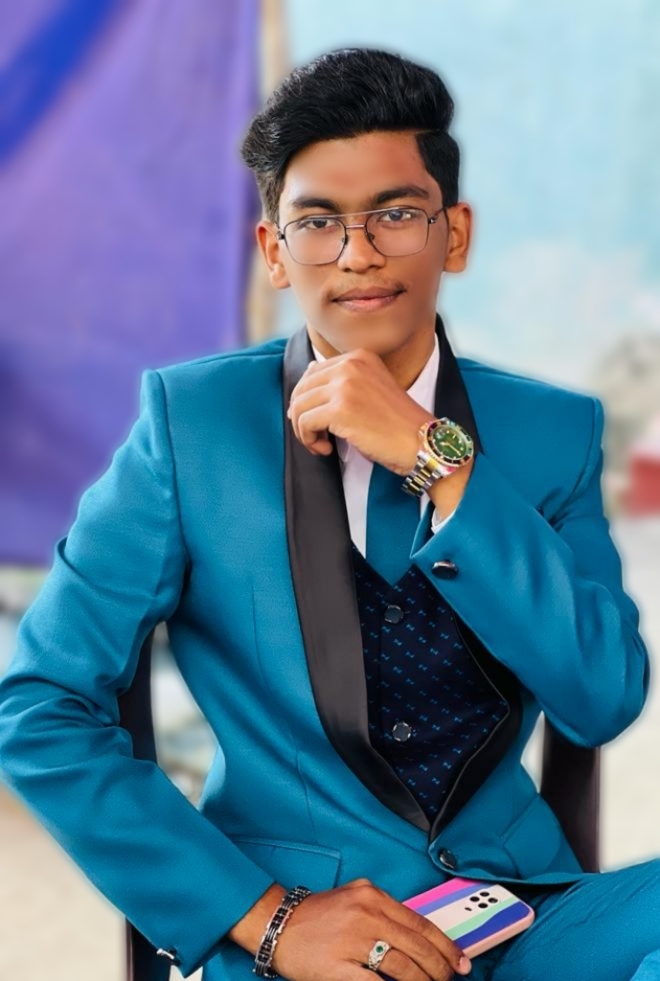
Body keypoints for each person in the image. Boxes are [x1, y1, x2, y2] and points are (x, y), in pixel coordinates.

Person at [0, 45, 657, 981]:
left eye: (396, 213)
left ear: (455, 234)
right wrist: (267, 918)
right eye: (317, 222)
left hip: (524, 912)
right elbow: (39, 706)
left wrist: (438, 460)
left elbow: (602, 696)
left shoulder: (553, 431)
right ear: (274, 251)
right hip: (305, 937)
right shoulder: (191, 427)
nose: (358, 254)